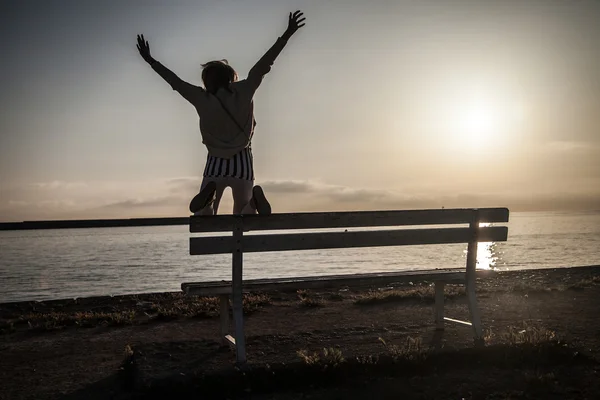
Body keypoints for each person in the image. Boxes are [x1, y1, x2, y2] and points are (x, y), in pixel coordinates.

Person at [136, 11, 306, 216]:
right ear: (230, 77)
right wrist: (287, 34)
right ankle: (252, 203)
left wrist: (151, 61)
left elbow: (175, 82)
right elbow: (264, 65)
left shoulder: (201, 98)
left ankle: (208, 200)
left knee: (204, 219)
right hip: (243, 162)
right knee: (243, 217)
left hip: (215, 163)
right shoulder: (244, 90)